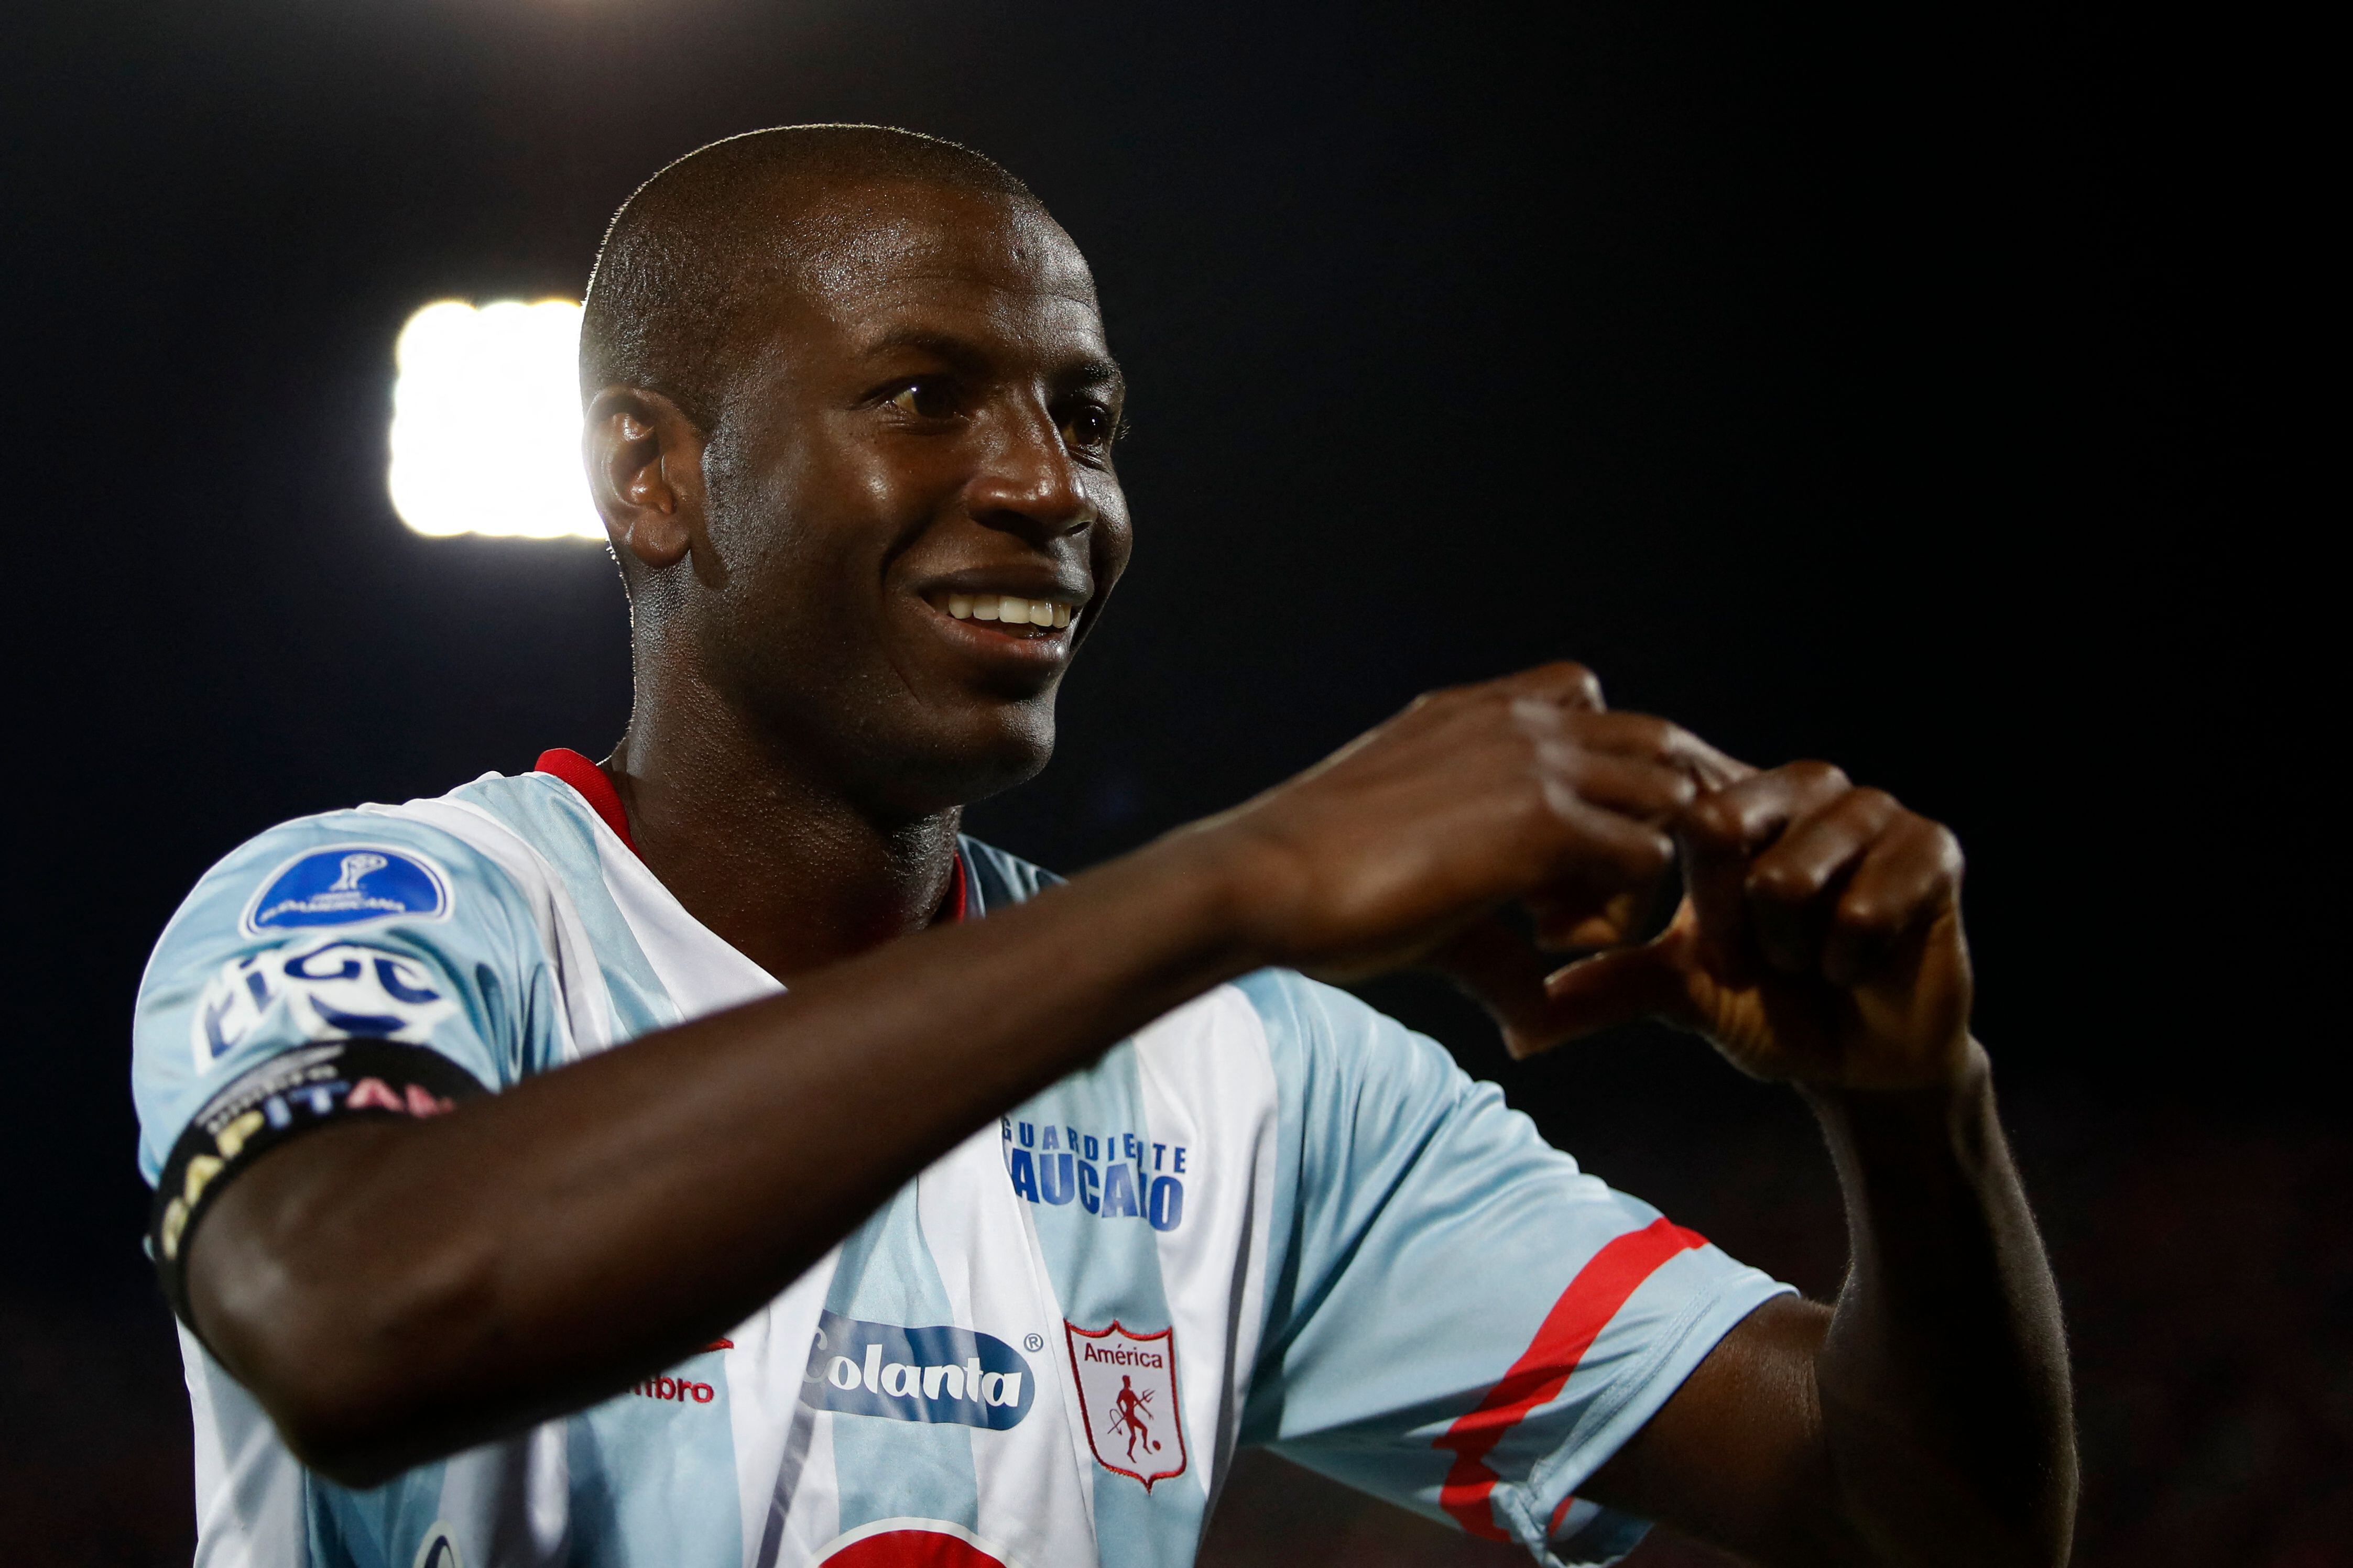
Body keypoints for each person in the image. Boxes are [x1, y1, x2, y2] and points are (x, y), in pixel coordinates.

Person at [132, 125, 2073, 1568]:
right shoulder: (395, 911)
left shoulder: (1257, 1074)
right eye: (923, 396)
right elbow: (350, 1315)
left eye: (1088, 414)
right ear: (654, 474)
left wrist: (1915, 1110)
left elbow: (1916, 1511)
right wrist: (1235, 878)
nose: (1051, 486)